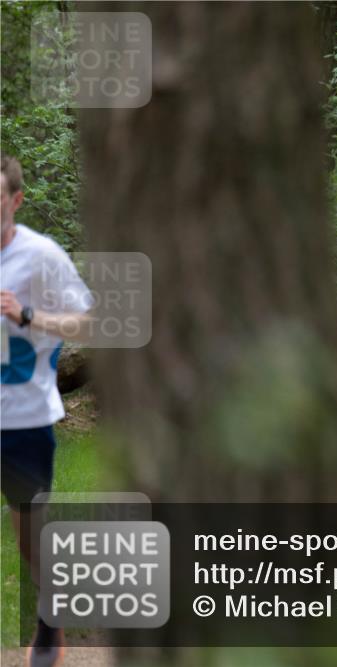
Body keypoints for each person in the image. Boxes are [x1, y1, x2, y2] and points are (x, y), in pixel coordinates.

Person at [1, 155, 93, 667]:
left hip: (23, 418)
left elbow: (89, 323)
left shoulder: (41, 256)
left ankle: (49, 623)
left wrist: (28, 314)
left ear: (15, 201)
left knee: (31, 537)